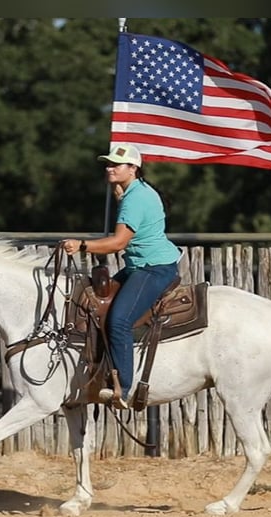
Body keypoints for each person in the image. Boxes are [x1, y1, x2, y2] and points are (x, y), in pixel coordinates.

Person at [63, 143, 180, 409]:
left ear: (133, 168)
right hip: (141, 266)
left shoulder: (136, 198)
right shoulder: (134, 193)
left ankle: (123, 388)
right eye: (108, 163)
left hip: (153, 268)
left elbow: (117, 243)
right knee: (95, 307)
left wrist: (81, 245)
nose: (109, 168)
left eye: (116, 164)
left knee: (118, 321)